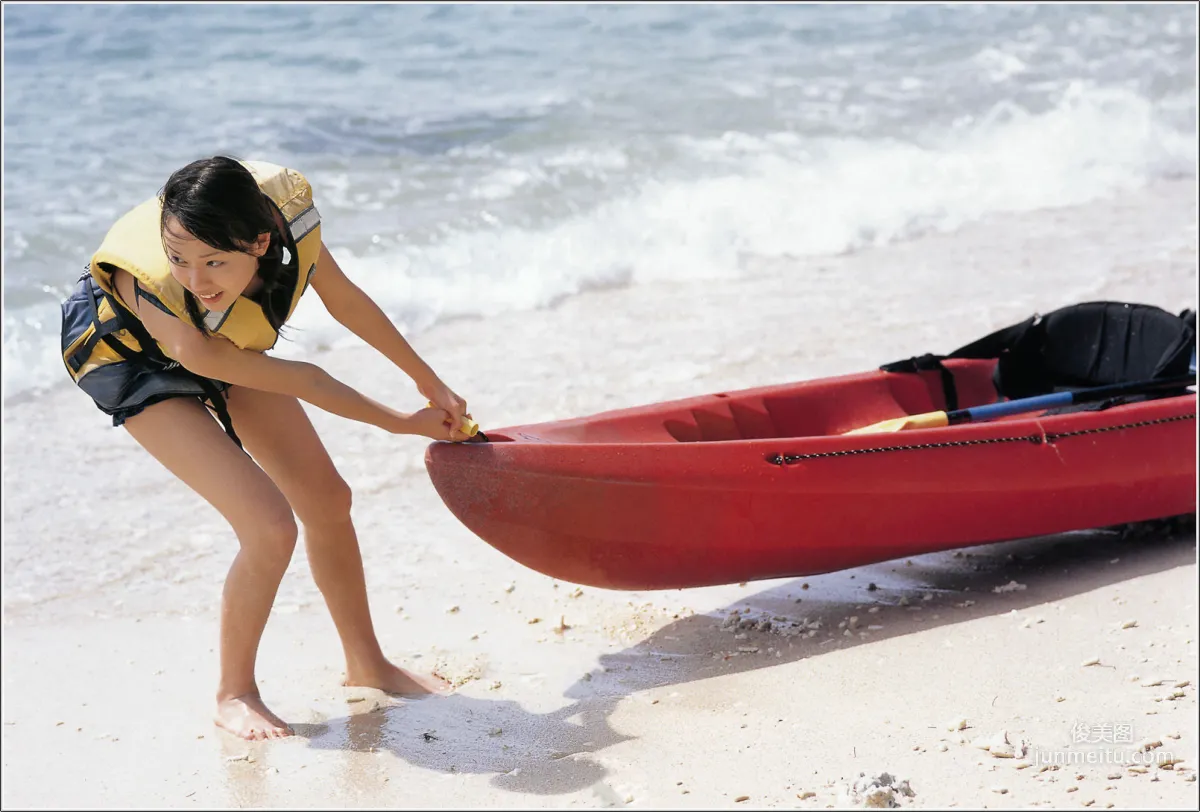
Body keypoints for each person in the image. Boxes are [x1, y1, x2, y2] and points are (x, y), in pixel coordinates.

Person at [60, 156, 476, 741]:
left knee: (328, 499)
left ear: (260, 242)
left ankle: (368, 664)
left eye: (213, 262)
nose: (196, 278)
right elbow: (305, 378)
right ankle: (234, 692)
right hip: (129, 355)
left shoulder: (278, 219)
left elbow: (345, 300)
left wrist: (428, 381)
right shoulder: (169, 294)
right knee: (268, 526)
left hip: (224, 338)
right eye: (178, 258)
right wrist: (403, 423)